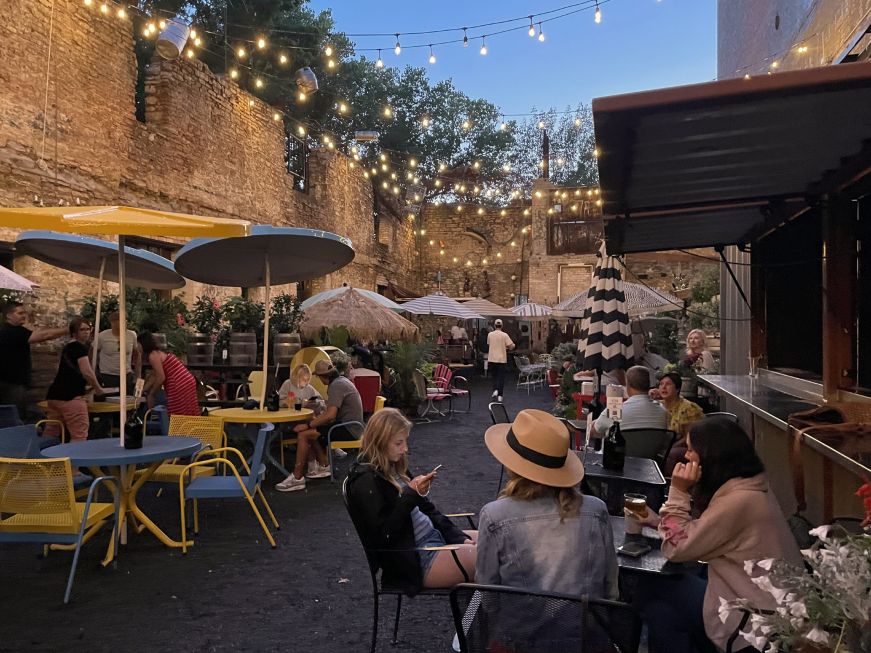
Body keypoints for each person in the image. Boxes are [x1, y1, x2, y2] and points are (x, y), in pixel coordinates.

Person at [627, 418, 802, 653]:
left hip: (754, 617)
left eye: (691, 450)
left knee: (651, 586)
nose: (686, 456)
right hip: (759, 603)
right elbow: (709, 535)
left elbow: (677, 549)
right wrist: (657, 522)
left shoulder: (740, 501)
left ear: (711, 456)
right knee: (662, 613)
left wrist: (678, 490)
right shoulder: (749, 486)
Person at [478, 408, 618, 598]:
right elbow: (610, 588)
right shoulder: (596, 509)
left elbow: (486, 593)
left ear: (511, 463)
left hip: (518, 626)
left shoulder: (494, 515)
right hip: (585, 624)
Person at [345, 408, 476, 594]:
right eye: (399, 443)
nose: (405, 448)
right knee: (489, 559)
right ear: (380, 442)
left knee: (495, 539)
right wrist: (410, 495)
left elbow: (429, 510)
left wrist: (457, 536)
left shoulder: (394, 468)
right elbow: (384, 536)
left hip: (431, 539)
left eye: (405, 441)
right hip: (414, 558)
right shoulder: (366, 479)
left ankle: (477, 615)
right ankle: (476, 617)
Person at [275, 359, 364, 492]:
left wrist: (309, 425)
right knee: (315, 431)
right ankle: (323, 465)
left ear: (323, 377)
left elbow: (330, 415)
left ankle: (297, 478)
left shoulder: (336, 386)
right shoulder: (341, 381)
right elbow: (331, 412)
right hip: (352, 425)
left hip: (349, 428)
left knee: (304, 434)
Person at [0, 301, 67, 419]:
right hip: (12, 383)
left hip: (11, 382)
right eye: (20, 313)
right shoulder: (12, 331)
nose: (23, 315)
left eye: (24, 313)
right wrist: (69, 329)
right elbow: (45, 335)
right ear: (8, 315)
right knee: (15, 416)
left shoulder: (11, 330)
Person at [43, 318, 105, 443]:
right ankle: (76, 461)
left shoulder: (68, 347)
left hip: (54, 395)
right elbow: (87, 372)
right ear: (74, 333)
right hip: (70, 397)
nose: (86, 332)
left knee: (52, 432)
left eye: (88, 329)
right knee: (79, 434)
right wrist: (98, 389)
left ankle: (43, 458)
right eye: (82, 329)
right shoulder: (79, 348)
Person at [590, 365, 667, 437]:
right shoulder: (663, 411)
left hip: (623, 451)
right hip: (653, 451)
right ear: (649, 385)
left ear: (628, 386)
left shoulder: (616, 410)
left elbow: (594, 430)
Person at [651, 372, 704, 473]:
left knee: (670, 454)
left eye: (668, 384)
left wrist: (670, 446)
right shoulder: (657, 405)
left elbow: (691, 436)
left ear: (678, 389)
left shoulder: (687, 408)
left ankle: (669, 484)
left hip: (687, 446)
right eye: (661, 384)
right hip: (664, 444)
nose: (664, 387)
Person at [138, 331, 199, 417]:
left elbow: (161, 377)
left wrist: (152, 392)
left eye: (138, 344)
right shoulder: (156, 353)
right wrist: (143, 390)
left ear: (143, 344)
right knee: (187, 409)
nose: (137, 347)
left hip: (179, 382)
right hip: (186, 380)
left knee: (178, 410)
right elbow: (154, 375)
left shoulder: (153, 355)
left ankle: (180, 429)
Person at [96, 311, 142, 390]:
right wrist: (95, 373)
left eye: (125, 321)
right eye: (120, 321)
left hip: (126, 375)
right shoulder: (102, 336)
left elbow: (137, 355)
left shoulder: (132, 335)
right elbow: (92, 353)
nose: (124, 323)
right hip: (107, 375)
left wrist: (138, 376)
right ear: (112, 323)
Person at [486, 319, 514, 403]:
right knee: (501, 377)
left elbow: (489, 344)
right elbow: (511, 346)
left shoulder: (490, 334)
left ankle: (495, 390)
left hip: (492, 358)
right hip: (501, 359)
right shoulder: (505, 335)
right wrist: (510, 346)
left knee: (494, 376)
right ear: (502, 326)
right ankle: (500, 396)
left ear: (494, 326)